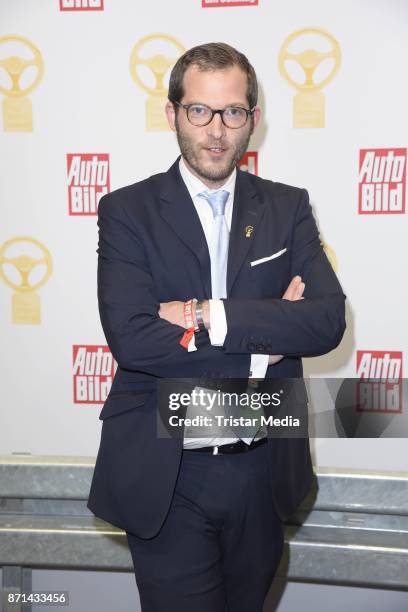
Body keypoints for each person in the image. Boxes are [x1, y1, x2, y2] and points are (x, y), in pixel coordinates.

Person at [87, 42, 346, 612]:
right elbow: (132, 337)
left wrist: (206, 314)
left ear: (253, 118)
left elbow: (326, 321)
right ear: (173, 113)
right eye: (199, 111)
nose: (216, 130)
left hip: (262, 467)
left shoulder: (288, 207)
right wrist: (268, 341)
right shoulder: (127, 211)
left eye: (233, 112)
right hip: (168, 471)